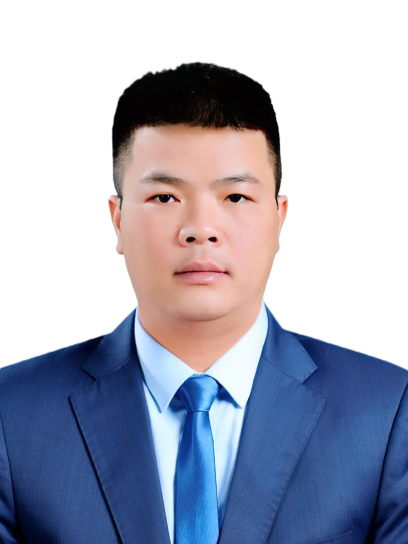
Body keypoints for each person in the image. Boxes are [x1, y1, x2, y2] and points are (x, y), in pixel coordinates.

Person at [0, 62, 406, 544]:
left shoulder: (387, 410)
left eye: (235, 196)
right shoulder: (11, 414)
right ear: (117, 220)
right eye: (165, 197)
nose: (200, 229)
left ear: (279, 220)